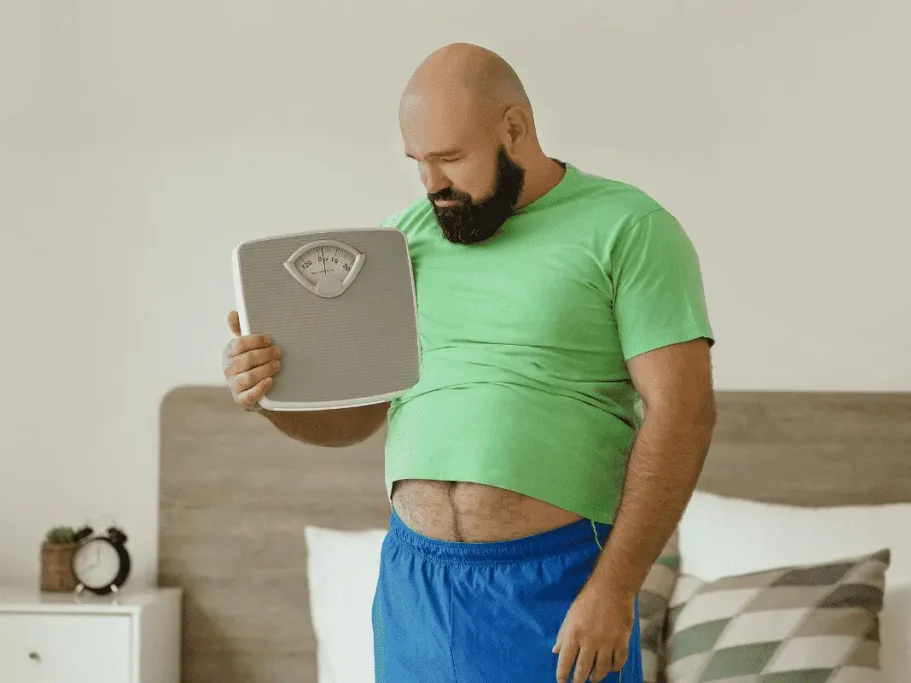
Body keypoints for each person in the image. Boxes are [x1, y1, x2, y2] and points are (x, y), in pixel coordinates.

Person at [221, 42, 716, 683]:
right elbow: (356, 419)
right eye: (418, 163)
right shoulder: (403, 242)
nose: (432, 186)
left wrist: (614, 590)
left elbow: (686, 412)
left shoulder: (629, 227)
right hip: (414, 587)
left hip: (558, 581)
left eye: (449, 159)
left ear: (515, 128)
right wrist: (271, 396)